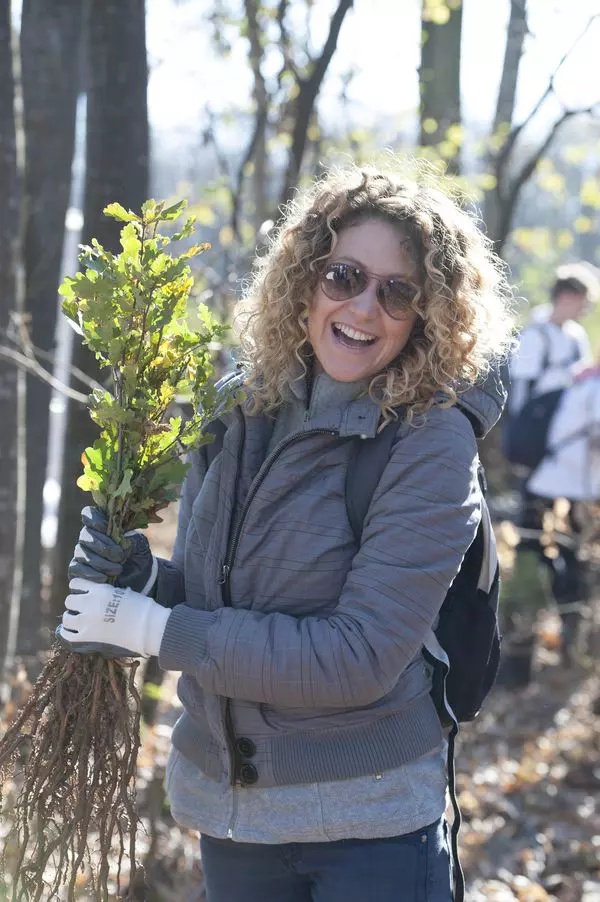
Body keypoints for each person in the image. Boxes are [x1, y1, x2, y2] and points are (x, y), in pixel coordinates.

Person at [58, 162, 514, 902]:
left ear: (427, 315)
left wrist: (155, 630)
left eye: (397, 292)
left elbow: (357, 656)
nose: (364, 307)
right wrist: (147, 586)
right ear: (304, 279)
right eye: (344, 276)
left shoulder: (429, 443)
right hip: (235, 816)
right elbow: (214, 595)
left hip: (372, 830)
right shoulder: (244, 406)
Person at [506, 263, 598, 662]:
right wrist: (521, 448)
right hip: (540, 448)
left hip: (572, 456)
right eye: (584, 300)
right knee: (532, 534)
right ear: (567, 296)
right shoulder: (536, 334)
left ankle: (570, 627)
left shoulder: (576, 336)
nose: (587, 308)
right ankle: (523, 627)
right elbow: (521, 395)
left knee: (574, 539)